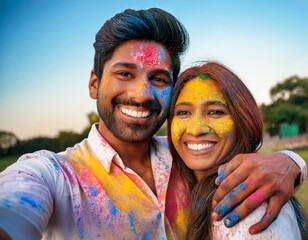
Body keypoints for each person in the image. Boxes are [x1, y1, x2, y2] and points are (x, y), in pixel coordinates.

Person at [0, 8, 306, 240]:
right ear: (94, 84)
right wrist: (293, 163)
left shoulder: (190, 156)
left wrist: (289, 163)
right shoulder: (53, 176)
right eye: (124, 74)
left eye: (158, 79)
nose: (142, 94)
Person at [168, 61, 308, 239]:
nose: (196, 129)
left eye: (216, 112)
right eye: (183, 113)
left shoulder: (245, 209)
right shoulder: (166, 156)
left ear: (243, 122)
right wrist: (292, 160)